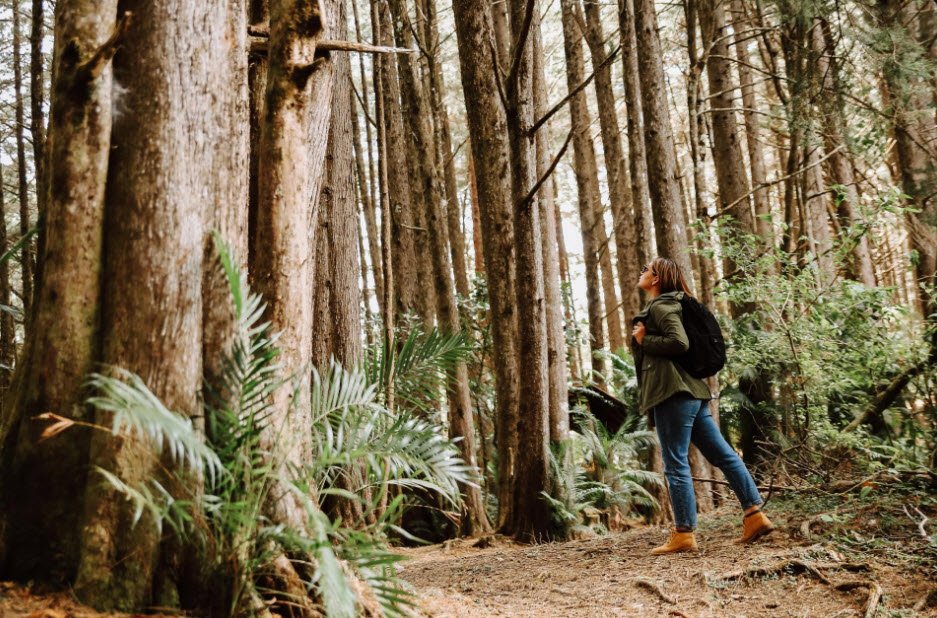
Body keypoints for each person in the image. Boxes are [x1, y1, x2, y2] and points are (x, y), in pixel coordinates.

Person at [631, 256, 774, 555]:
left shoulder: (661, 306)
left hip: (673, 393)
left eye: (647, 269)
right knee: (724, 455)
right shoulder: (677, 303)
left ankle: (683, 533)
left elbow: (679, 343)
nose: (642, 272)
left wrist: (645, 341)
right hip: (692, 393)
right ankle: (754, 515)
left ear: (656, 279)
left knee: (675, 461)